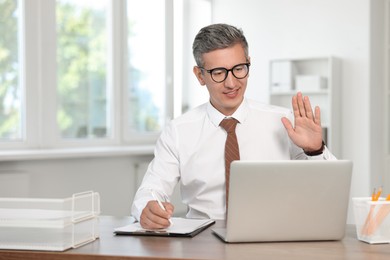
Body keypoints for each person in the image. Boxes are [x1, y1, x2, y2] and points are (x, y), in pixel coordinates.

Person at [131, 23, 336, 229]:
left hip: (274, 234)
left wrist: (315, 150)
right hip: (203, 240)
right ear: (200, 75)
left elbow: (327, 189)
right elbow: (151, 189)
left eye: (239, 69)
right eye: (219, 73)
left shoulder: (284, 122)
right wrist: (147, 209)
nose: (231, 83)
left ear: (248, 64)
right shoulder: (178, 131)